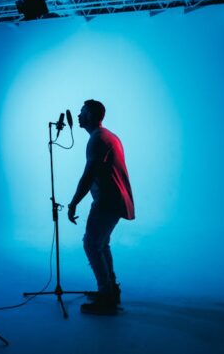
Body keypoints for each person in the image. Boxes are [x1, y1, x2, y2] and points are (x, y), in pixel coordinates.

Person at [67, 99, 135, 316]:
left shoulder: (98, 139)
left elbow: (88, 176)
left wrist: (73, 203)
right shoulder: (106, 137)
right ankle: (110, 290)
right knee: (101, 244)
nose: (78, 115)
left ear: (92, 116)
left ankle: (106, 296)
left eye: (82, 112)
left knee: (91, 244)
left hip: (108, 201)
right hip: (113, 200)